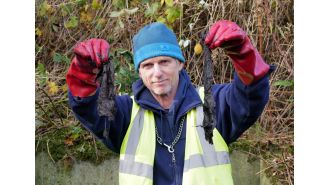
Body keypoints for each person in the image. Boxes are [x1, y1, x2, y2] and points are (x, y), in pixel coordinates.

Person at [66, 20, 273, 185]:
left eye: (164, 62)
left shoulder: (212, 104)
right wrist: (83, 73)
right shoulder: (126, 114)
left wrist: (243, 54)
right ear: (139, 71)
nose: (157, 73)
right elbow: (88, 108)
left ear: (180, 63)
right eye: (147, 65)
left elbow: (250, 96)